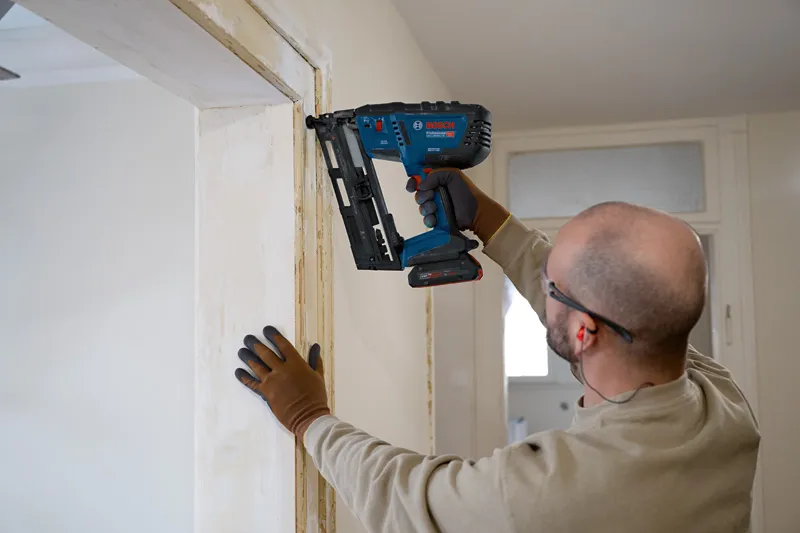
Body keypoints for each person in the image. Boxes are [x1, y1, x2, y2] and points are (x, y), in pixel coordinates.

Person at [234, 169, 761, 533]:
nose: (542, 284)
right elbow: (606, 311)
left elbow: (406, 498)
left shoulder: (548, 491)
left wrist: (308, 417)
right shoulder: (723, 403)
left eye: (552, 285)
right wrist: (488, 220)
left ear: (584, 333)